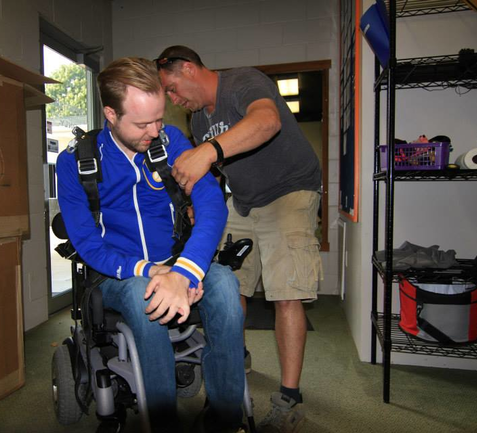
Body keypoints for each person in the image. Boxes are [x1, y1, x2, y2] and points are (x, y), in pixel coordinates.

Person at [56, 57, 245, 433]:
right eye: (142, 123)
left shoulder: (171, 142)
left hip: (175, 262)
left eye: (160, 118)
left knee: (225, 286)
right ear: (110, 114)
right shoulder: (75, 162)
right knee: (147, 296)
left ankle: (224, 420)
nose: (155, 130)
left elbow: (210, 206)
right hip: (117, 275)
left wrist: (185, 269)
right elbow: (87, 243)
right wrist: (148, 270)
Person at [156, 46, 323, 433]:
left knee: (285, 294)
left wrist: (207, 151)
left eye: (172, 87)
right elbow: (215, 171)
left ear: (189, 68)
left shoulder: (242, 81)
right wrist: (201, 200)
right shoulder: (198, 120)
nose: (172, 99)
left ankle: (289, 399)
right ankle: (235, 359)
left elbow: (267, 122)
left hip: (290, 191)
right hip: (244, 201)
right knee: (226, 283)